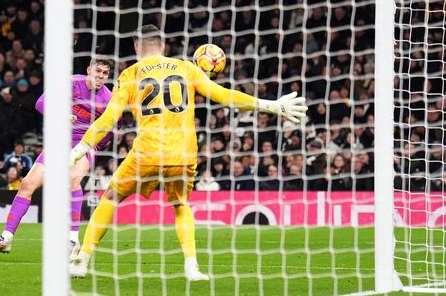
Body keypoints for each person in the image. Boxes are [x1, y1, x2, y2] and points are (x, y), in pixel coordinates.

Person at [68, 25, 307, 280]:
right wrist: (271, 105)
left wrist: (80, 149)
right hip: (182, 153)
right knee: (181, 206)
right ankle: (192, 267)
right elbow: (223, 95)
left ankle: (82, 260)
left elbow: (108, 118)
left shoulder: (130, 74)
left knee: (111, 198)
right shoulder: (186, 68)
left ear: (137, 47)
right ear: (163, 45)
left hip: (147, 152)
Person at [0, 58, 114, 255]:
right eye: (98, 71)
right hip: (59, 142)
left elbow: (112, 128)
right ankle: (6, 238)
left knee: (72, 179)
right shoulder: (71, 83)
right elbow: (41, 103)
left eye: (105, 73)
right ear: (89, 70)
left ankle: (72, 240)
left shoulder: (108, 98)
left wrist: (94, 145)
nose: (101, 76)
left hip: (84, 144)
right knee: (27, 184)